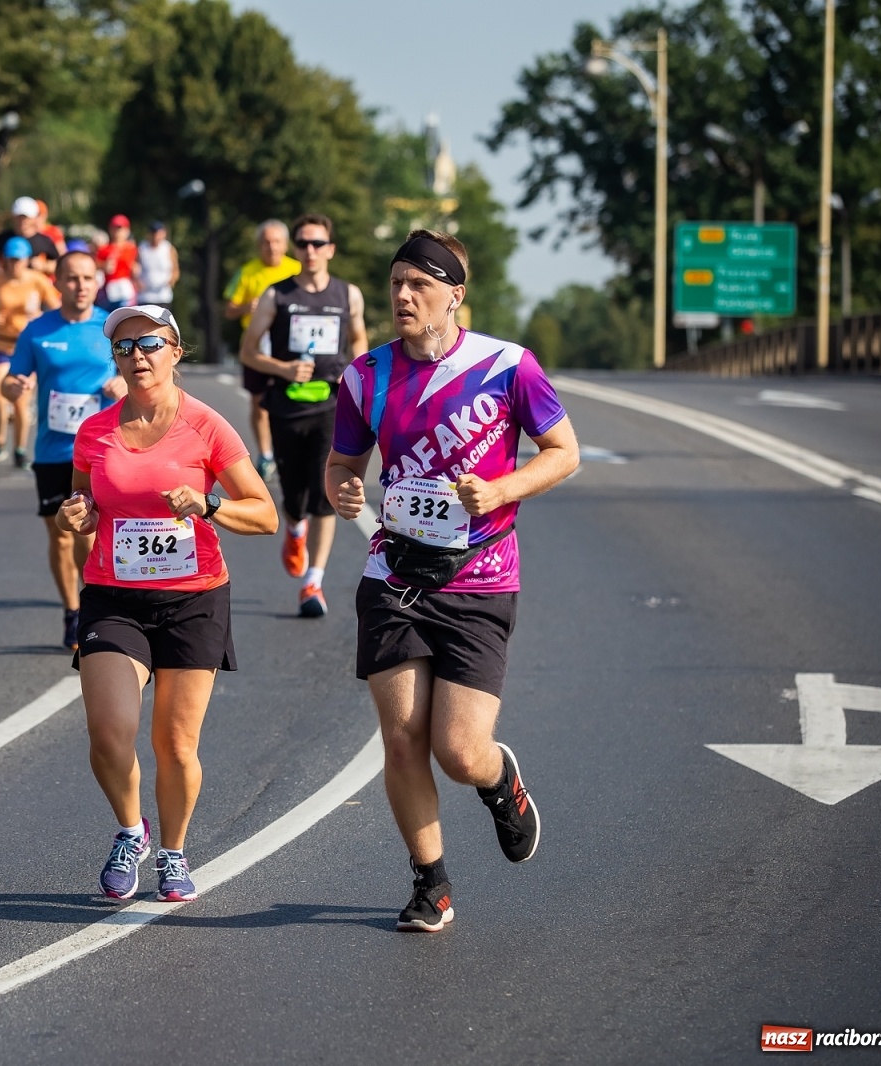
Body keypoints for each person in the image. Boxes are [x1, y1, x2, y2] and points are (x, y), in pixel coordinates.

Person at [325, 229, 579, 933]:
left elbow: (563, 453)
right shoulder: (364, 377)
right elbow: (341, 465)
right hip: (395, 574)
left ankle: (501, 785)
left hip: (481, 579)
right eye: (396, 283)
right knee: (402, 737)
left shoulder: (508, 366)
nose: (403, 296)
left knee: (459, 749)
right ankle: (430, 882)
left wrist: (500, 491)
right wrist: (343, 489)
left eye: (420, 285)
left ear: (454, 295)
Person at [56, 305, 277, 904]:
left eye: (149, 343)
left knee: (175, 745)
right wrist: (77, 517)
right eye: (124, 348)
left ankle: (174, 852)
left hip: (194, 600)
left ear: (176, 351)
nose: (137, 357)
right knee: (108, 732)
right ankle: (133, 831)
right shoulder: (94, 431)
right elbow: (83, 504)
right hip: (115, 597)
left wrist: (208, 507)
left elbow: (264, 513)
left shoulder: (208, 427)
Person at [239, 213, 368, 618]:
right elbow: (248, 351)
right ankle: (295, 529)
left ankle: (314, 581)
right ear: (296, 249)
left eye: (317, 243)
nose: (309, 251)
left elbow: (359, 340)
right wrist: (283, 369)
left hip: (332, 405)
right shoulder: (277, 294)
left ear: (330, 249)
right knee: (294, 495)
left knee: (326, 488)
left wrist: (358, 374)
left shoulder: (348, 295)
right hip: (287, 406)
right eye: (302, 244)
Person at [1, 251, 124, 650]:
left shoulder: (112, 328)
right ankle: (72, 611)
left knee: (92, 535)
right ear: (58, 282)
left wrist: (123, 385)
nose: (82, 285)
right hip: (54, 452)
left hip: (104, 449)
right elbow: (9, 380)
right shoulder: (38, 331)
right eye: (73, 278)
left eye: (88, 278)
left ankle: (94, 609)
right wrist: (13, 388)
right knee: (61, 536)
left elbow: (143, 373)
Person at [224, 220, 300, 483]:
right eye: (266, 242)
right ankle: (266, 454)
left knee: (290, 399)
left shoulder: (297, 269)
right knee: (259, 401)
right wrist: (247, 307)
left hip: (288, 344)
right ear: (259, 245)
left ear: (286, 244)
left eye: (277, 241)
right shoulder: (247, 272)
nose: (272, 247)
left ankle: (289, 451)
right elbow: (229, 309)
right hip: (256, 344)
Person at [0, 236, 60, 470]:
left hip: (27, 346)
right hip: (3, 344)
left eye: (20, 260)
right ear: (5, 260)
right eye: (11, 260)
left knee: (20, 400)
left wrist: (38, 316)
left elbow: (56, 309)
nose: (15, 264)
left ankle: (20, 449)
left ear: (27, 260)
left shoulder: (38, 280)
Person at [0, 196, 61, 274]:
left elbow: (59, 265)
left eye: (26, 217)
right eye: (19, 217)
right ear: (13, 217)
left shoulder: (45, 241)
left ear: (34, 218)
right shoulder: (3, 238)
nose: (22, 221)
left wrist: (44, 265)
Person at [97, 214, 138, 311]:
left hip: (127, 290)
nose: (117, 232)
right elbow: (95, 265)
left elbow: (137, 267)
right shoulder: (104, 249)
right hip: (110, 291)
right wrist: (103, 265)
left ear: (127, 230)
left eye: (120, 228)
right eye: (114, 228)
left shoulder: (132, 249)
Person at [135, 221, 178, 306]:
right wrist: (137, 282)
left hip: (163, 296)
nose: (156, 236)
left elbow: (175, 270)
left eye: (159, 233)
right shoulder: (142, 248)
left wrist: (170, 281)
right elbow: (135, 268)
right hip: (145, 296)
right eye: (154, 233)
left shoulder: (169, 249)